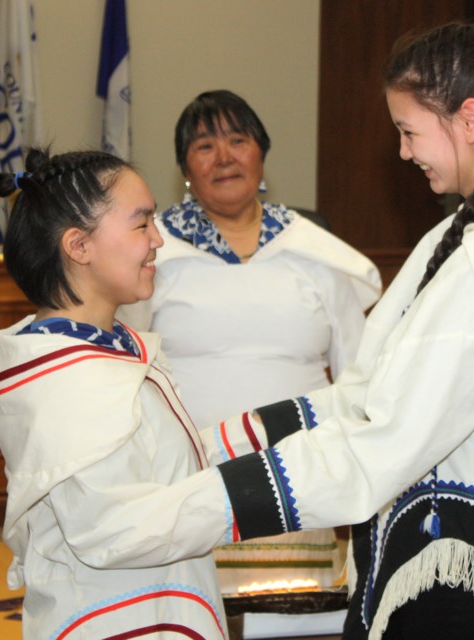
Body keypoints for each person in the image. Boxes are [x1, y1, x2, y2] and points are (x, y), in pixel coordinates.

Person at [192, 22, 474, 639]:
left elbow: (386, 438)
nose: (402, 151)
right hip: (460, 541)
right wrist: (221, 442)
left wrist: (209, 498)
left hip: (458, 566)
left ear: (469, 120)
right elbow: (365, 394)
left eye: (408, 131)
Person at [0, 148, 264, 640]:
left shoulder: (113, 348)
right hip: (113, 622)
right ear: (78, 246)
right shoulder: (66, 382)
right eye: (141, 223)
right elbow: (114, 528)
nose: (158, 239)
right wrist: (268, 493)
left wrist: (280, 429)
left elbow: (166, 464)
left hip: (165, 607)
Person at [120, 89, 381, 592]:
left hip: (302, 471)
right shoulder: (153, 253)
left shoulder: (313, 252)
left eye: (238, 140)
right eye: (204, 146)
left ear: (261, 155)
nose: (223, 157)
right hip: (193, 475)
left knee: (297, 612)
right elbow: (127, 369)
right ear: (185, 171)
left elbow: (359, 372)